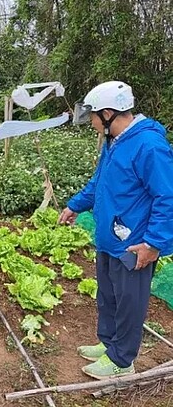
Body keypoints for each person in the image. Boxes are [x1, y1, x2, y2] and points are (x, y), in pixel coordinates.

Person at [59, 81, 173, 379]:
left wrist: (153, 243)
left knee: (129, 302)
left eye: (94, 116)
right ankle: (109, 344)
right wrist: (75, 205)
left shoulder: (149, 146)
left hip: (135, 243)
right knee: (108, 295)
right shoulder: (115, 141)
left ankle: (122, 361)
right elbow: (100, 182)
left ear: (108, 113)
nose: (92, 122)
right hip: (110, 236)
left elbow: (167, 196)